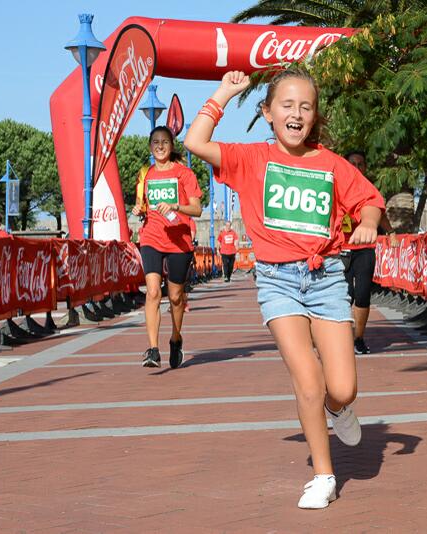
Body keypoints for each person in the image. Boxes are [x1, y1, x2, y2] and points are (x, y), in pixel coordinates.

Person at [185, 69, 385, 509]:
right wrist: (222, 93)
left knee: (343, 388)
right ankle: (323, 475)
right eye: (287, 105)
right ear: (268, 112)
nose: (296, 114)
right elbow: (195, 142)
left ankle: (339, 410)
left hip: (327, 278)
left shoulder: (331, 163)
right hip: (277, 282)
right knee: (307, 379)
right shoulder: (250, 158)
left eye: (305, 107)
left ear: (314, 117)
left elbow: (369, 200)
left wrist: (368, 222)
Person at [132, 125, 203, 369]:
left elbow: (197, 209)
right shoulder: (145, 174)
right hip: (151, 237)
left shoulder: (184, 174)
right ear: (150, 147)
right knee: (152, 291)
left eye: (164, 142)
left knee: (174, 296)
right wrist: (138, 209)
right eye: (155, 142)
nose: (160, 146)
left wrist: (175, 206)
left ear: (172, 146)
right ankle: (152, 349)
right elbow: (143, 206)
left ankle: (175, 338)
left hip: (178, 240)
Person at [340, 151, 398, 355]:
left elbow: (379, 213)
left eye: (360, 164)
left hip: (364, 249)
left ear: (365, 167)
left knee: (362, 294)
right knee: (343, 295)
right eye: (352, 164)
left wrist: (390, 233)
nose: (356, 168)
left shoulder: (369, 189)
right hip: (340, 250)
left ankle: (359, 338)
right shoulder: (335, 187)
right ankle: (341, 339)